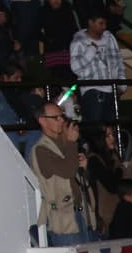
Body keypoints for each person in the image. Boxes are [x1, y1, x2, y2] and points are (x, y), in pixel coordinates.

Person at [30, 103, 93, 246]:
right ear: (42, 120)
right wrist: (71, 143)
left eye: (62, 116)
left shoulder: (63, 144)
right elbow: (67, 171)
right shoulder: (41, 149)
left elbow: (75, 176)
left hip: (79, 213)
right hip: (62, 218)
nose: (61, 120)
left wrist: (83, 168)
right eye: (56, 117)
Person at [70, 13, 125, 124]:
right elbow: (75, 67)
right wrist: (90, 52)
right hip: (92, 91)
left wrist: (122, 85)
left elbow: (118, 61)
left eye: (105, 23)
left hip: (112, 90)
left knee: (112, 128)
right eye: (101, 23)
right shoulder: (79, 41)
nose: (104, 26)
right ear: (91, 22)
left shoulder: (110, 39)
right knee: (95, 129)